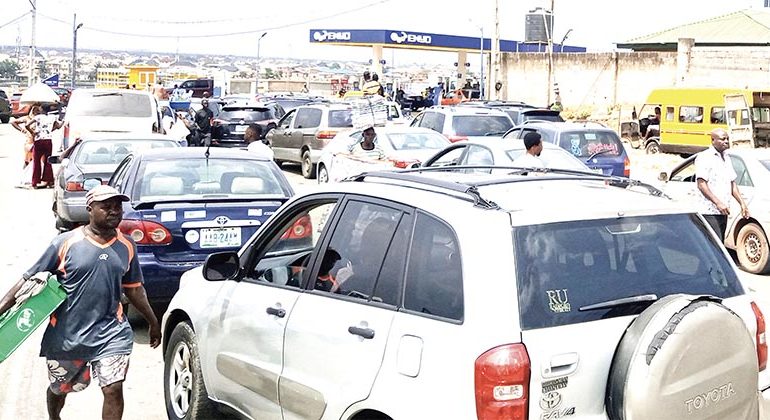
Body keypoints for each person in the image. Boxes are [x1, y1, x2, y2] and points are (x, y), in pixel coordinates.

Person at [0, 185, 161, 420]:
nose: (114, 211)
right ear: (89, 209)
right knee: (59, 389)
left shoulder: (127, 245)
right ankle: (54, 417)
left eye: (118, 206)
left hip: (111, 333)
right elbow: (27, 279)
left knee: (113, 389)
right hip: (68, 334)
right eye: (106, 207)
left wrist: (153, 321)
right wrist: (2, 309)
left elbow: (135, 290)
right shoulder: (65, 243)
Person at [695, 128, 750, 240]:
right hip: (709, 211)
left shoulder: (726, 157)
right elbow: (701, 184)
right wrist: (718, 203)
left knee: (720, 242)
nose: (726, 141)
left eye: (727, 139)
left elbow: (732, 183)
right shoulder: (704, 157)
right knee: (714, 245)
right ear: (713, 140)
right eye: (722, 139)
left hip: (723, 211)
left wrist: (742, 204)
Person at [25, 104, 62, 189]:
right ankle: (49, 181)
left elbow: (27, 125)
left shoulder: (38, 117)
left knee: (36, 161)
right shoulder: (52, 117)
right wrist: (63, 122)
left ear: (42, 109)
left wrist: (33, 133)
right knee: (48, 161)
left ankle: (35, 182)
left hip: (39, 140)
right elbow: (58, 126)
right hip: (48, 140)